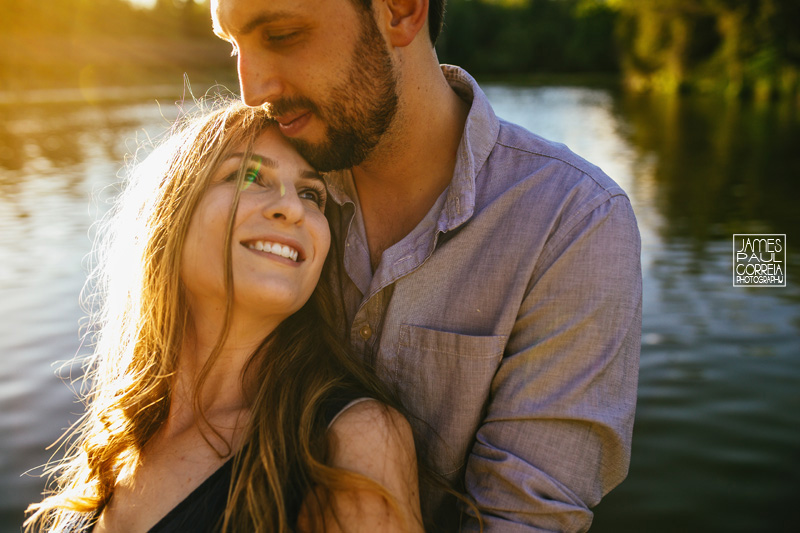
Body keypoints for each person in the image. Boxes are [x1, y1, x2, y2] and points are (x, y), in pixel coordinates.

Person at [211, 0, 643, 531]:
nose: (251, 90)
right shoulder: (257, 190)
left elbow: (525, 520)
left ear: (400, 11)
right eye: (232, 45)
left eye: (280, 34)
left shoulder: (573, 220)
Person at [25, 101, 425, 533]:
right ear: (171, 216)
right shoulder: (117, 436)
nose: (292, 208)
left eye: (311, 194)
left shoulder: (349, 439)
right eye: (249, 176)